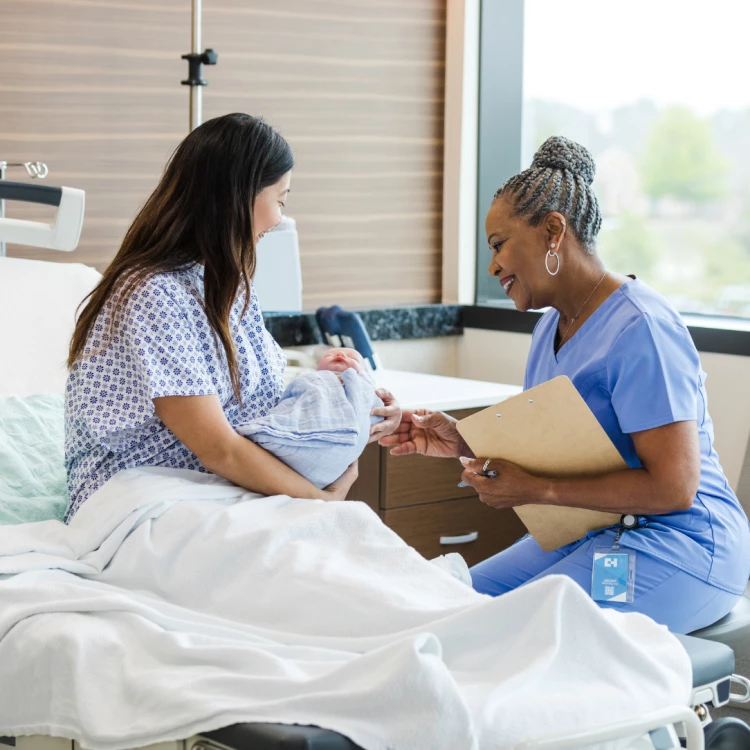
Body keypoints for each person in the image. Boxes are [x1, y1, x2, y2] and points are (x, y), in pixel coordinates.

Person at [381, 136, 750, 634]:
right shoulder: (548, 329)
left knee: (516, 632)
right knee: (442, 603)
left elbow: (675, 488)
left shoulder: (643, 328)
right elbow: (564, 441)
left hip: (680, 544)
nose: (492, 267)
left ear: (554, 231)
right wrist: (460, 439)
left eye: (498, 246)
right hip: (596, 530)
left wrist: (537, 489)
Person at [64, 113, 401, 522]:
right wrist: (323, 503)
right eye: (280, 200)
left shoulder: (227, 285)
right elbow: (218, 447)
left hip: (217, 490)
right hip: (143, 498)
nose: (279, 220)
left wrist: (347, 394)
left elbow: (254, 410)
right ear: (237, 196)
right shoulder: (152, 293)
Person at [237, 347, 384, 488]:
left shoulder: (363, 388)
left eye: (353, 358)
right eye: (329, 355)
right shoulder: (312, 380)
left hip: (338, 452)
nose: (340, 354)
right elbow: (290, 401)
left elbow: (372, 410)